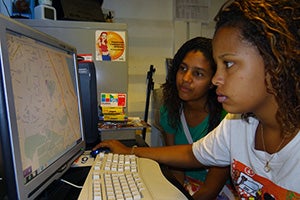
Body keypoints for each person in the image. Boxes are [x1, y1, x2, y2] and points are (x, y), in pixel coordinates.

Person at [94, 0, 300, 199]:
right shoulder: (236, 124)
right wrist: (130, 151)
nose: (217, 79)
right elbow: (192, 155)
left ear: (276, 63)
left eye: (228, 64)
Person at [159, 36, 228, 198]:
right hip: (188, 187)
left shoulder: (227, 118)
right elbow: (176, 167)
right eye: (183, 68)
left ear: (213, 81)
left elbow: (210, 190)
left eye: (198, 74)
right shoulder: (170, 110)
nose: (185, 79)